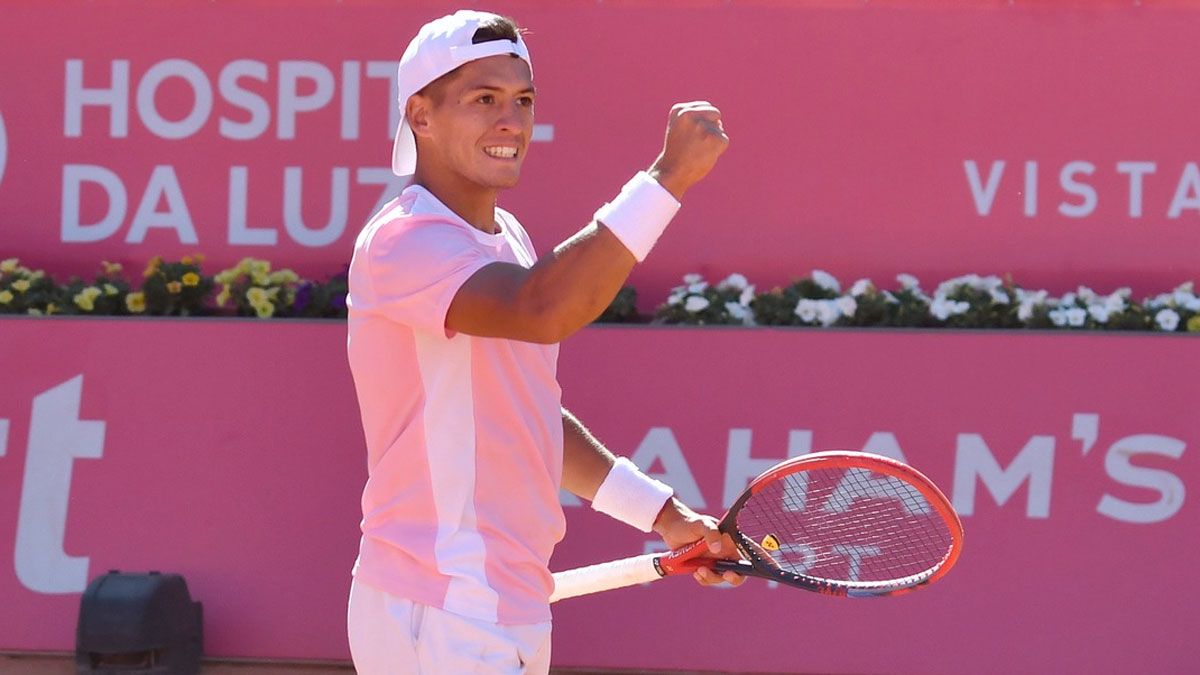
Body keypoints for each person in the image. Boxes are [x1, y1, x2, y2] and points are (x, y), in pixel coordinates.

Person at [344, 9, 738, 674]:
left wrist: (665, 515)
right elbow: (544, 308)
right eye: (484, 99)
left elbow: (528, 418)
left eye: (523, 100)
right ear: (420, 115)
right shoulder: (403, 241)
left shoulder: (508, 239)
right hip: (440, 610)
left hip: (500, 608)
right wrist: (666, 179)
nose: (511, 121)